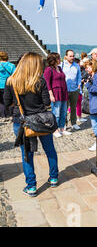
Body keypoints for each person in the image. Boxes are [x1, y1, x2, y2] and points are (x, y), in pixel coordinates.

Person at [3, 52, 59, 197]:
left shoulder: (11, 81)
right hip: (41, 120)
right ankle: (53, 178)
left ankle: (31, 186)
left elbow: (7, 103)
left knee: (27, 155)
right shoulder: (40, 81)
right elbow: (47, 102)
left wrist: (18, 108)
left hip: (22, 121)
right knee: (49, 150)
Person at [44, 53, 71, 138]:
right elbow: (47, 83)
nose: (60, 60)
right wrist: (51, 95)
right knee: (56, 113)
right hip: (56, 93)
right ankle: (55, 130)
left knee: (63, 112)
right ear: (54, 60)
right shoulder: (48, 69)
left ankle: (62, 128)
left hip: (63, 92)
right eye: (58, 58)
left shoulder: (59, 68)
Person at [62, 50, 82, 131]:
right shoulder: (62, 65)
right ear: (66, 56)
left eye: (73, 56)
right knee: (64, 108)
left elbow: (79, 76)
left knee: (73, 108)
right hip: (65, 90)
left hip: (74, 90)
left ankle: (74, 123)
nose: (72, 57)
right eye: (70, 56)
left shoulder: (76, 66)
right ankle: (64, 124)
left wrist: (79, 85)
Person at [0, 51, 16, 119]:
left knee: (0, 101)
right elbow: (15, 76)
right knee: (9, 100)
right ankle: (10, 114)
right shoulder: (11, 65)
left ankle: (2, 115)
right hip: (9, 85)